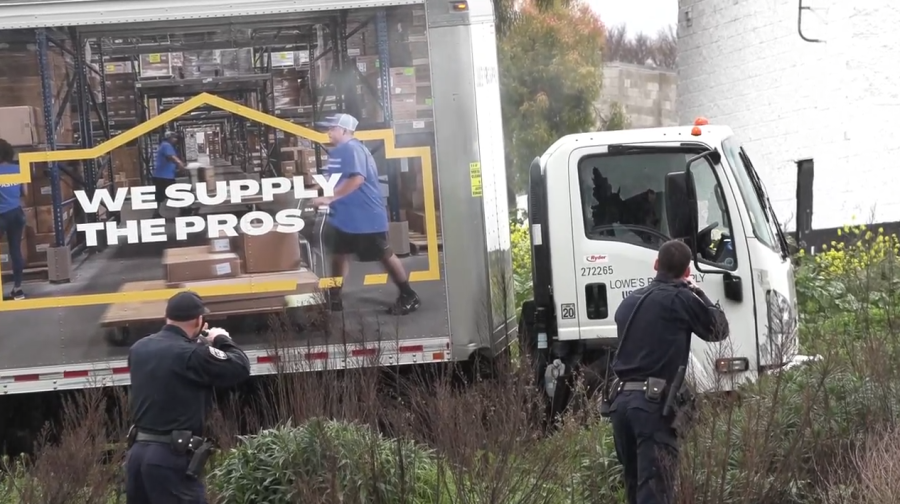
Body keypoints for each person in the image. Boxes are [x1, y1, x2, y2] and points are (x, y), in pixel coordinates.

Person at [609, 240, 730, 504]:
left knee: (634, 488)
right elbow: (719, 329)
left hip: (621, 406)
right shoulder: (681, 298)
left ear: (655, 265)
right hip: (652, 408)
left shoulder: (629, 303)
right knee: (655, 493)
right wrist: (698, 292)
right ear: (687, 273)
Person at [125, 291, 250, 504]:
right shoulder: (192, 355)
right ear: (199, 320)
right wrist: (220, 338)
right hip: (170, 460)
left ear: (168, 317)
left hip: (137, 457)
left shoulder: (139, 349)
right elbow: (239, 366)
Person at [311, 113, 421, 315]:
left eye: (333, 128)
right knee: (339, 254)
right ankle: (334, 297)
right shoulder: (341, 151)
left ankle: (409, 295)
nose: (329, 132)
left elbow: (357, 180)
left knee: (384, 255)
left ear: (344, 131)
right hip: (346, 218)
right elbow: (338, 179)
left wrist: (329, 198)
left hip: (365, 218)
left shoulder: (352, 149)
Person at [0, 138, 27, 300]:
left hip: (1, 215)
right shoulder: (18, 169)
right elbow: (25, 192)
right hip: (17, 214)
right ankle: (18, 289)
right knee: (16, 251)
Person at [152, 131, 185, 219]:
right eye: (174, 138)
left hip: (162, 175)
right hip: (164, 176)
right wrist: (180, 164)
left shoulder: (164, 145)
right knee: (174, 192)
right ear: (169, 138)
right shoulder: (166, 145)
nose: (175, 140)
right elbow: (171, 157)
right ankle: (183, 209)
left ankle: (156, 213)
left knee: (161, 195)